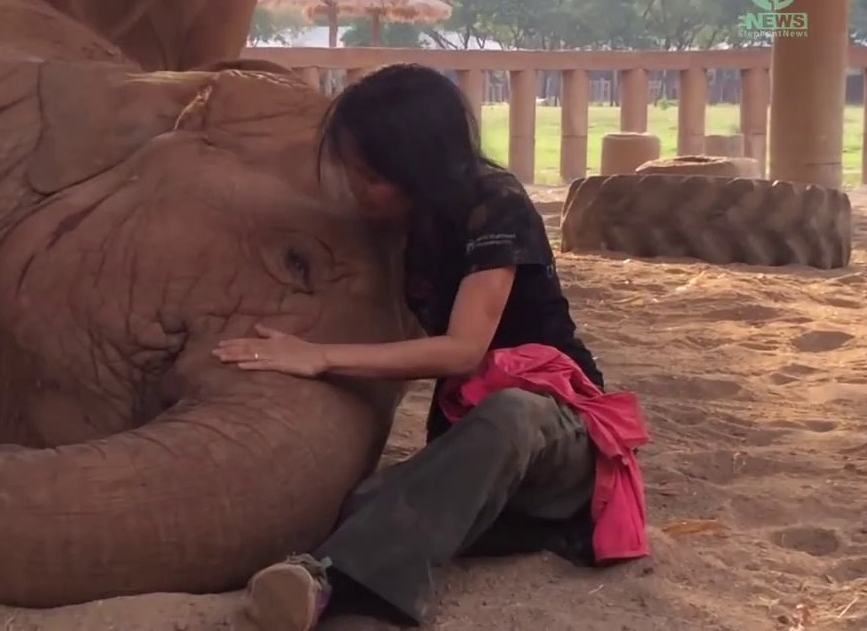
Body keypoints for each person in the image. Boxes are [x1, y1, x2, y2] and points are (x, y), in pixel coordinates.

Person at [212, 63, 650, 630]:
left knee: (509, 415)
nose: (357, 190)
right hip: (476, 449)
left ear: (417, 168)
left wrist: (319, 355)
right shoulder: (402, 221)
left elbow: (462, 351)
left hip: (559, 433)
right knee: (368, 497)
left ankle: (352, 593)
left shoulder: (495, 203)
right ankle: (350, 571)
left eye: (370, 176)